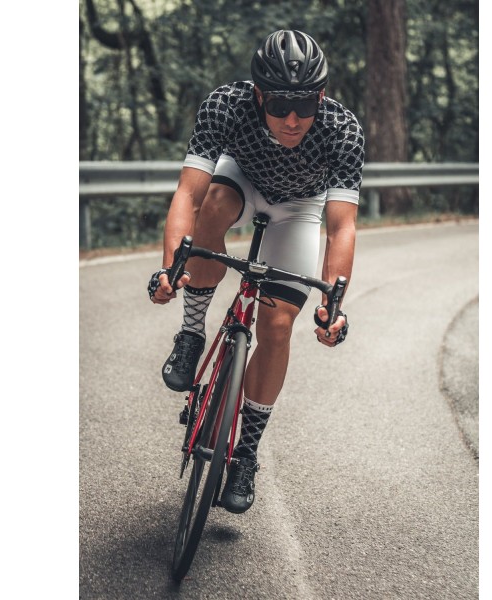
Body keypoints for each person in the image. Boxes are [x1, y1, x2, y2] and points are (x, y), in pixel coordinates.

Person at [149, 29, 364, 514]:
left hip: (300, 208)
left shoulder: (343, 130)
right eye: (281, 105)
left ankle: (245, 453)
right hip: (240, 182)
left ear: (321, 98)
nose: (293, 120)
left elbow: (341, 226)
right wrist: (170, 268)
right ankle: (191, 334)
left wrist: (332, 306)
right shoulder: (226, 104)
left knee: (278, 325)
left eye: (304, 106)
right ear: (260, 94)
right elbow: (188, 194)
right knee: (214, 203)